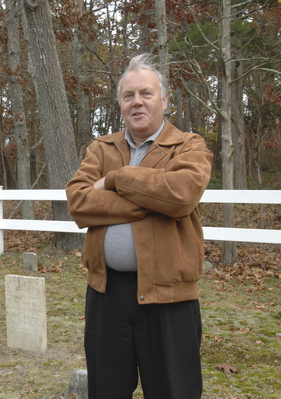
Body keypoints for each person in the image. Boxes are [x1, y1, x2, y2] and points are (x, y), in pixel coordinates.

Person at [66, 54, 213, 399]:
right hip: (106, 295)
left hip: (169, 296)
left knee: (173, 390)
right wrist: (147, 203)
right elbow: (78, 203)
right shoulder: (102, 148)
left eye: (146, 93)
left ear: (164, 100)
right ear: (120, 103)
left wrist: (116, 178)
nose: (137, 102)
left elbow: (181, 196)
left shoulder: (188, 146)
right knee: (106, 389)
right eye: (128, 95)